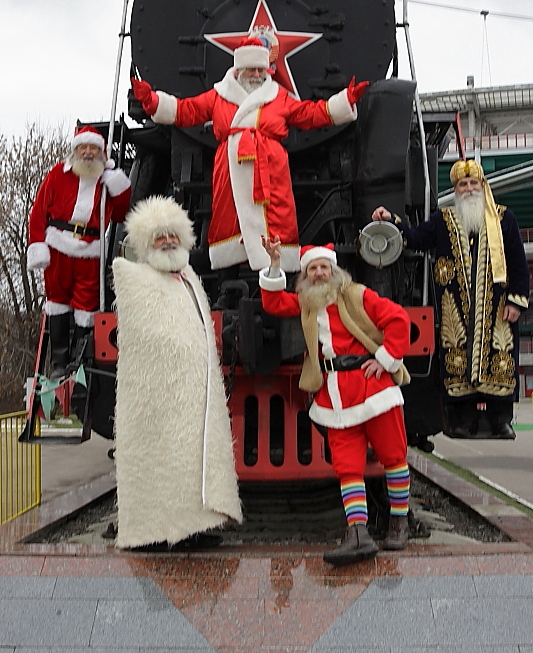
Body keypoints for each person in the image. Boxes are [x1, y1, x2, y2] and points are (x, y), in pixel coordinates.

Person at [131, 36, 369, 273]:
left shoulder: (278, 96)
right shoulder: (218, 95)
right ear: (239, 69)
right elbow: (187, 110)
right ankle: (230, 274)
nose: (257, 74)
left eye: (260, 69)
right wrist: (153, 101)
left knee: (277, 214)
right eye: (251, 69)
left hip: (271, 166)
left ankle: (277, 272)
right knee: (228, 215)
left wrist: (344, 101)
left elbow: (309, 114)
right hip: (231, 164)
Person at [260, 235, 411, 565]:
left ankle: (400, 523)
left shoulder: (358, 294)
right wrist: (273, 265)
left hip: (373, 389)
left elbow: (399, 319)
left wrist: (385, 359)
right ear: (305, 275)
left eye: (323, 267)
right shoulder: (306, 303)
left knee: (393, 457)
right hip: (333, 397)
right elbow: (273, 304)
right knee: (347, 467)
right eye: (312, 268)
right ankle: (357, 533)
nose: (318, 273)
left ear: (334, 270)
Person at [112, 196, 242, 549]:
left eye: (173, 236)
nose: (167, 242)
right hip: (155, 396)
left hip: (192, 391)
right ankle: (154, 532)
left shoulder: (190, 280)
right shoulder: (134, 279)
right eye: (159, 238)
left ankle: (194, 528)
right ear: (145, 244)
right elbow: (146, 336)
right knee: (158, 459)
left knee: (191, 458)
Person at [372, 159, 530, 439]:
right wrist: (392, 221)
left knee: (500, 358)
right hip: (455, 309)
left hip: (497, 309)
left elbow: (517, 261)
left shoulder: (503, 218)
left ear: (482, 186)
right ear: (455, 190)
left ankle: (501, 420)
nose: (468, 189)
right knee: (457, 360)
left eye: (472, 184)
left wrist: (516, 301)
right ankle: (462, 420)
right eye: (462, 185)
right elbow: (417, 239)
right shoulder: (442, 220)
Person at [27, 125, 131, 380]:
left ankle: (80, 358)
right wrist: (37, 244)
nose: (88, 152)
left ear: (101, 152)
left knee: (87, 305)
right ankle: (59, 362)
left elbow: (120, 214)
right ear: (75, 150)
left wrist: (117, 184)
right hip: (58, 246)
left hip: (90, 250)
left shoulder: (107, 179)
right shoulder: (57, 175)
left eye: (93, 148)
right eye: (83, 147)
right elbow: (38, 212)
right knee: (58, 303)